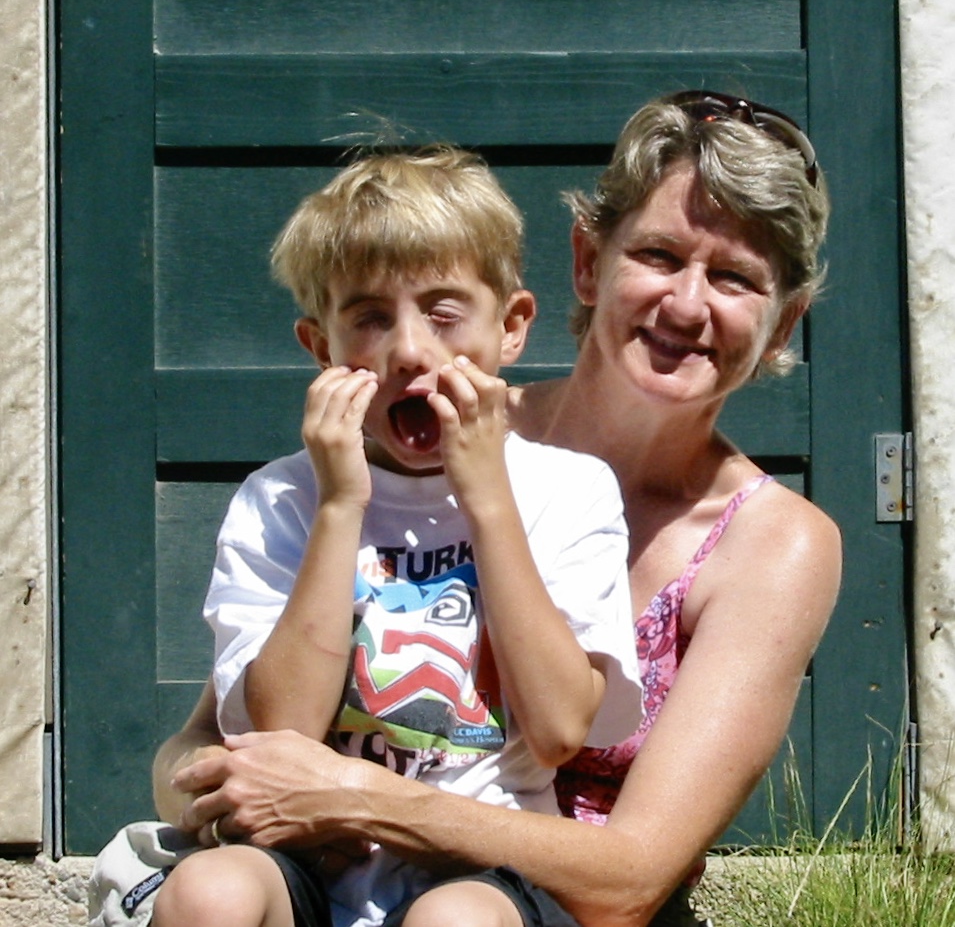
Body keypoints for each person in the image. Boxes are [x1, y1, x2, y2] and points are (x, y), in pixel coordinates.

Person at [155, 91, 843, 927]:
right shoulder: (412, 438)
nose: (686, 304)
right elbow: (220, 733)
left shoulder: (770, 543)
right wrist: (201, 796)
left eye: (734, 278)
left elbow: (630, 880)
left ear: (783, 324)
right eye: (658, 255)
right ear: (586, 261)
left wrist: (356, 795)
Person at [148, 146, 642, 927]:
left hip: (480, 865)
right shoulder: (282, 500)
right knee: (209, 892)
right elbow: (281, 730)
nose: (409, 349)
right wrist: (340, 504)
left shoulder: (566, 490)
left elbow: (555, 731)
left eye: (443, 313)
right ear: (321, 347)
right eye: (370, 317)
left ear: (512, 326)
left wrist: (487, 501)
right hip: (305, 859)